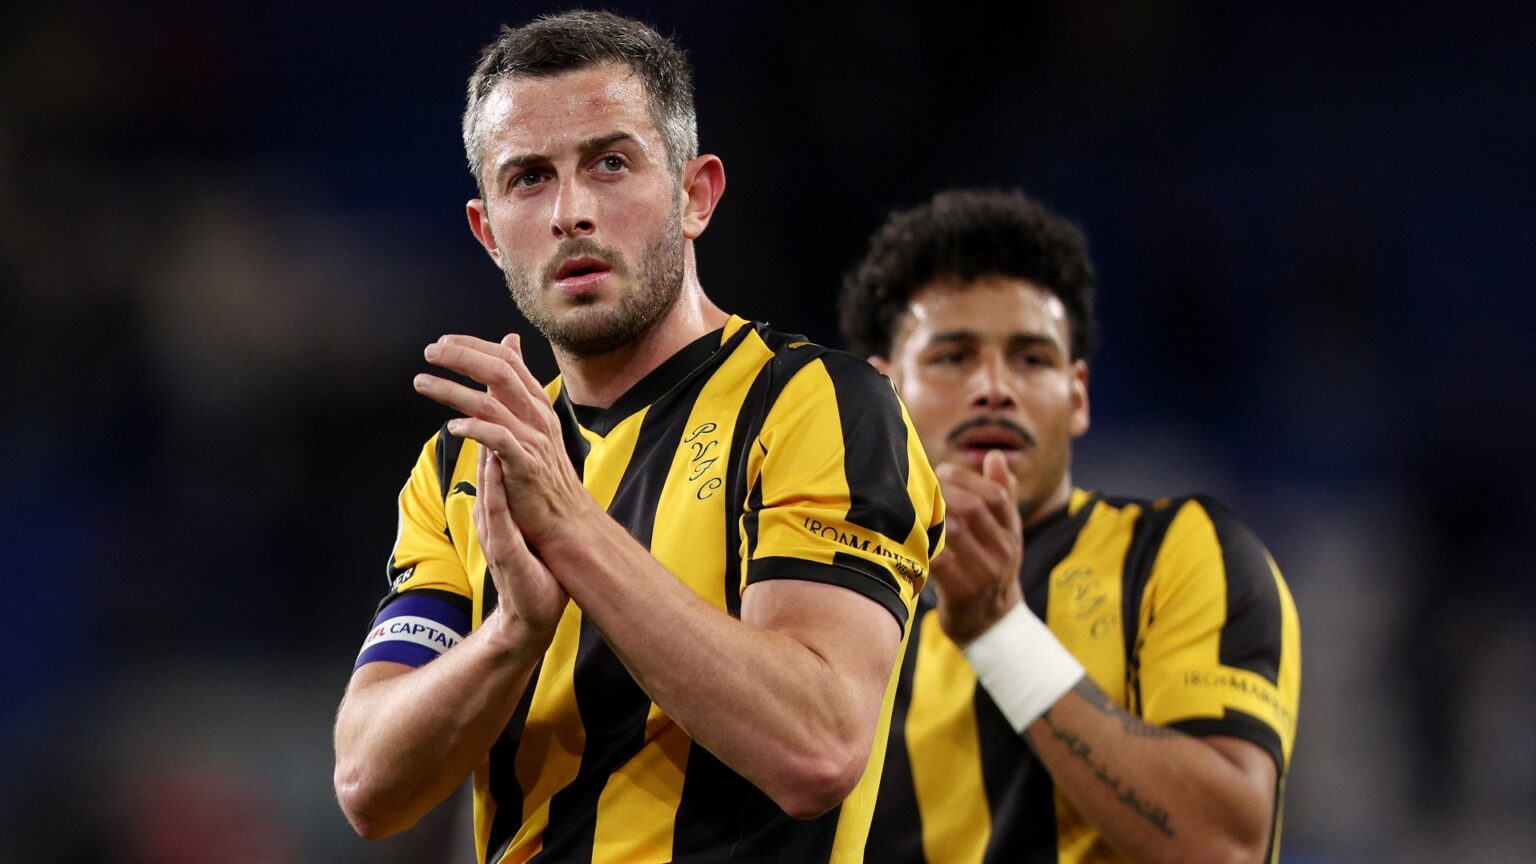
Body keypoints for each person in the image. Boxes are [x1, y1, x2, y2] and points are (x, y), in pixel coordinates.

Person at [331, 11, 944, 863]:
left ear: (696, 196)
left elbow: (818, 747)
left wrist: (571, 531)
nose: (571, 213)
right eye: (529, 179)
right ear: (488, 232)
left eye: (610, 164)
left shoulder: (817, 408)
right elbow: (369, 784)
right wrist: (512, 633)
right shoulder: (460, 466)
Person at [841, 189, 1300, 864]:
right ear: (881, 393)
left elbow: (1224, 847)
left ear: (1078, 395)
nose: (994, 388)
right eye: (953, 356)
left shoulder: (1181, 553)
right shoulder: (818, 595)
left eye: (1031, 358)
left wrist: (999, 632)